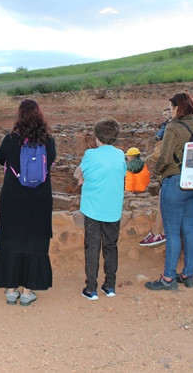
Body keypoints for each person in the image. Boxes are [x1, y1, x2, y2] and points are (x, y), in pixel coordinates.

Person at [0, 99, 56, 306]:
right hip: (40, 198)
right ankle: (28, 292)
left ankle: (11, 290)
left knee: (11, 238)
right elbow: (51, 161)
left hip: (14, 196)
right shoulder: (49, 140)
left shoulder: (11, 139)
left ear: (19, 116)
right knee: (35, 241)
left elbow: (1, 159)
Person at [146, 93, 193, 290]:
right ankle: (188, 273)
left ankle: (168, 277)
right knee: (189, 228)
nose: (170, 112)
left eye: (171, 108)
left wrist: (158, 172)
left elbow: (165, 156)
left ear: (178, 108)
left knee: (171, 233)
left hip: (176, 181)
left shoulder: (173, 127)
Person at [73, 119, 125, 300]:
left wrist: (84, 178)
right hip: (113, 208)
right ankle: (110, 285)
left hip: (93, 207)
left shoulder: (90, 155)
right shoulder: (120, 155)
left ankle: (91, 288)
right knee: (111, 246)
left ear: (97, 138)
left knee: (92, 246)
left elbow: (77, 173)